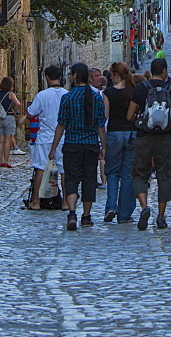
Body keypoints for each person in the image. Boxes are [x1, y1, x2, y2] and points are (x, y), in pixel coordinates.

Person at [127, 57, 171, 230]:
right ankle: (160, 216)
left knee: (140, 173)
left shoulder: (140, 88)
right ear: (164, 71)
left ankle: (144, 207)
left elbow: (129, 116)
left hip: (144, 137)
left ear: (151, 71)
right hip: (164, 139)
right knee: (164, 175)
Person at [49, 62, 107, 230]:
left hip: (72, 145)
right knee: (89, 180)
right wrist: (104, 147)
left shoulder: (67, 98)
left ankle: (72, 213)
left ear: (74, 76)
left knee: (72, 179)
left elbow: (61, 125)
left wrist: (53, 148)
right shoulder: (96, 98)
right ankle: (86, 216)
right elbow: (100, 126)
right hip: (90, 146)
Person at [27, 65, 68, 210]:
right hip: (63, 138)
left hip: (45, 137)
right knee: (64, 170)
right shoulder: (66, 94)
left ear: (47, 78)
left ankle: (36, 202)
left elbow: (31, 113)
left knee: (40, 168)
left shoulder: (42, 95)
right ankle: (65, 202)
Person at [102, 62, 137, 224]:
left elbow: (105, 116)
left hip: (114, 133)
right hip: (131, 133)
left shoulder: (108, 93)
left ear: (115, 75)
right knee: (128, 174)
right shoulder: (133, 91)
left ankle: (111, 207)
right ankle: (124, 214)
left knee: (112, 172)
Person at [0, 76, 21, 168]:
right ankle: (6, 161)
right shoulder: (10, 94)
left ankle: (0, 161)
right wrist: (14, 111)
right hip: (9, 117)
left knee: (0, 141)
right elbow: (18, 103)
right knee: (7, 140)